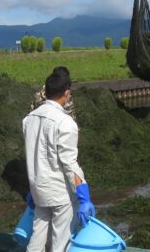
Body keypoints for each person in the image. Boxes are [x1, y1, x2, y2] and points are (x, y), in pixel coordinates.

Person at [23, 67, 96, 252]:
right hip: (59, 193)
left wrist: (33, 189)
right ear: (67, 93)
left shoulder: (29, 119)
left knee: (37, 236)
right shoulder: (65, 123)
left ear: (45, 92)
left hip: (38, 189)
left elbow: (34, 154)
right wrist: (83, 196)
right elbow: (69, 163)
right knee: (60, 242)